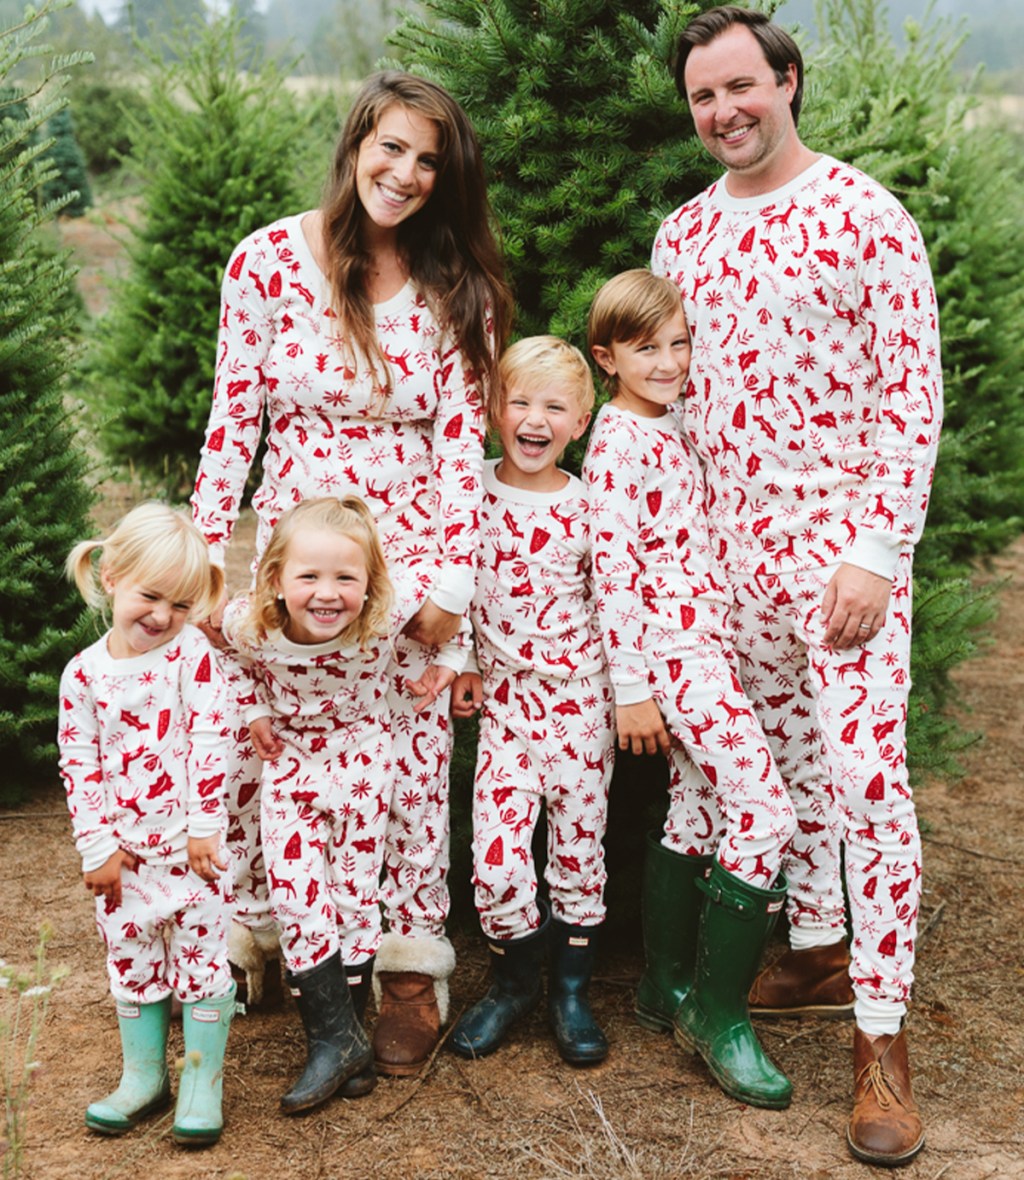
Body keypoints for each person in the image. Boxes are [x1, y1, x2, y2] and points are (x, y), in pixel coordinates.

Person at [652, 6, 943, 1164]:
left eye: (741, 88)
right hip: (726, 564)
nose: (723, 112)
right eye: (702, 98)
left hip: (841, 560)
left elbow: (911, 398)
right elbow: (669, 410)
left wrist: (876, 553)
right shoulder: (681, 238)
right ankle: (817, 945)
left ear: (787, 81)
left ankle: (881, 1040)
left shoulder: (866, 218)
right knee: (772, 773)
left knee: (868, 783)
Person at [190, 70, 513, 1073]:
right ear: (354, 146)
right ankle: (280, 939)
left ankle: (409, 967)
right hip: (297, 555)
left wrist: (450, 597)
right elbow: (232, 418)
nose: (407, 173)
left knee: (408, 762)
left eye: (429, 160)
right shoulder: (268, 263)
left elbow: (466, 455)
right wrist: (209, 563)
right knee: (272, 748)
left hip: (408, 568)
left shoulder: (462, 291)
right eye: (392, 149)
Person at [583, 270, 797, 1107]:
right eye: (648, 348)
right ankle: (719, 1017)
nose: (671, 360)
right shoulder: (617, 445)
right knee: (765, 810)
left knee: (700, 809)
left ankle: (663, 988)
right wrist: (632, 688)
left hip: (706, 643)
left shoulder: (670, 427)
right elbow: (614, 574)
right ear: (607, 358)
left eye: (679, 343)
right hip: (672, 657)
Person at [222, 496, 465, 1113]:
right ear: (276, 580)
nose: (326, 594)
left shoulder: (386, 614)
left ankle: (349, 1043)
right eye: (308, 577)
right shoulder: (251, 624)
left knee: (355, 894)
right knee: (298, 894)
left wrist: (453, 662)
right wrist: (253, 710)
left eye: (345, 578)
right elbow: (231, 663)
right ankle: (331, 1041)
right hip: (293, 768)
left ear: (371, 583)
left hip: (363, 766)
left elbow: (459, 610)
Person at [447, 337, 613, 1066]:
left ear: (581, 421)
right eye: (520, 402)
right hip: (508, 707)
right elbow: (450, 587)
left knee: (578, 852)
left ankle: (569, 992)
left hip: (581, 705)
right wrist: (463, 661)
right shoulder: (470, 491)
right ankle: (514, 980)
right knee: (496, 854)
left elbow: (615, 607)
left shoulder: (588, 508)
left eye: (554, 407)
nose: (535, 419)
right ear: (492, 411)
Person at [58, 503, 235, 1148]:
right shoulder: (83, 675)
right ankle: (144, 1076)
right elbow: (79, 764)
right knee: (132, 961)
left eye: (182, 605)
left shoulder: (193, 658)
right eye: (151, 596)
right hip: (125, 864)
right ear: (111, 577)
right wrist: (97, 847)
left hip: (194, 857)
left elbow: (213, 738)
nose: (163, 617)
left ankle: (198, 1083)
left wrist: (203, 826)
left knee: (201, 965)